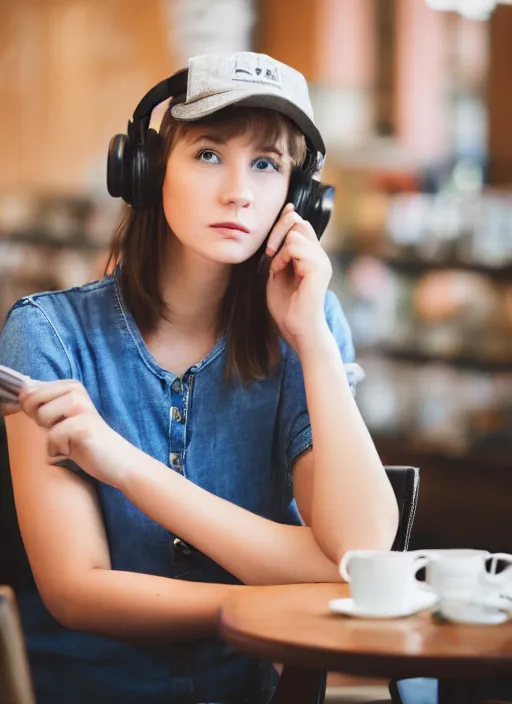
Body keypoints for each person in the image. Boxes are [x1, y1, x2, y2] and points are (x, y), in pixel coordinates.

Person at [0, 52, 399, 703]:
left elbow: (360, 551)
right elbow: (77, 591)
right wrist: (281, 595)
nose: (239, 190)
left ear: (300, 201)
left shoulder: (305, 325)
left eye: (266, 164)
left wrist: (314, 342)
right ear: (149, 169)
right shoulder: (46, 334)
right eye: (209, 153)